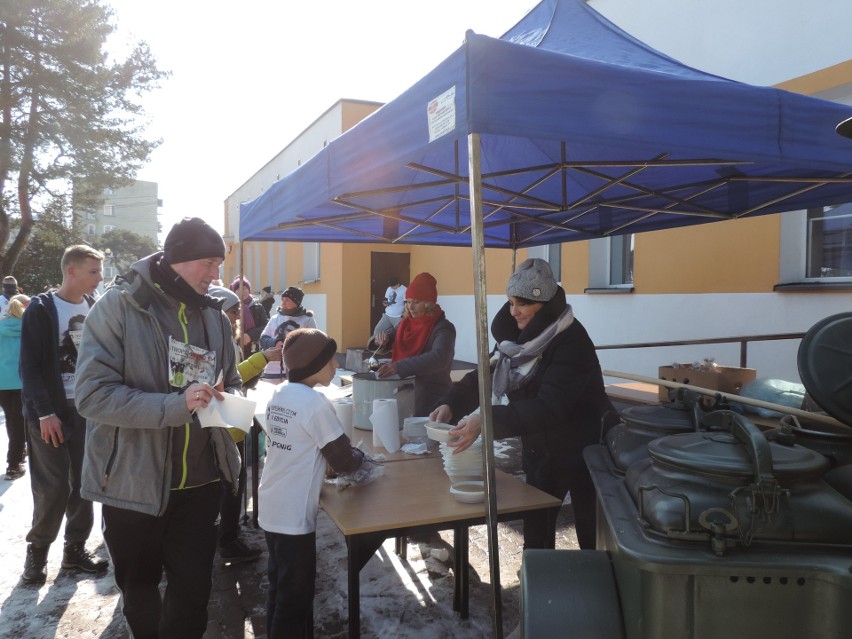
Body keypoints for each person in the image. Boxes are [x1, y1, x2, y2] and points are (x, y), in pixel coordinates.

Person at [75, 217, 243, 638]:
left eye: (219, 264)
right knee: (140, 592)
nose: (215, 275)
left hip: (201, 485)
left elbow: (232, 380)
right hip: (133, 486)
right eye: (208, 262)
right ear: (177, 260)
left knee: (193, 595)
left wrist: (232, 406)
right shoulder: (118, 308)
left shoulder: (216, 317)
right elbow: (92, 396)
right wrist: (175, 405)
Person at [429, 258, 615, 550]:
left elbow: (550, 406)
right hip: (541, 448)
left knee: (592, 534)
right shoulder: (512, 340)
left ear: (544, 305)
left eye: (522, 304)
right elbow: (486, 373)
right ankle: (538, 581)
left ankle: (597, 584)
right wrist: (452, 402)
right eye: (511, 302)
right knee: (537, 531)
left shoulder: (570, 340)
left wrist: (488, 421)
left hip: (586, 448)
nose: (513, 311)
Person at [260, 328, 369, 638]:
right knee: (295, 599)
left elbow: (299, 444)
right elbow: (345, 461)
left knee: (278, 588)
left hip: (272, 505)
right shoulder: (315, 403)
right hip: (294, 516)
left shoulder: (280, 394)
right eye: (329, 360)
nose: (336, 366)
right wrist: (366, 460)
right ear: (311, 366)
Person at [20, 245, 108, 585]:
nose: (99, 278)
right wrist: (44, 414)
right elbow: (29, 367)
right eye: (93, 272)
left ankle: (75, 550)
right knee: (52, 486)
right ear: (71, 271)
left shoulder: (93, 307)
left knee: (84, 484)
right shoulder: (40, 309)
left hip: (86, 410)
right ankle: (38, 551)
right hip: (49, 413)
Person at [208, 285, 282, 564]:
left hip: (232, 418)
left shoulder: (226, 339)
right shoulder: (217, 342)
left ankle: (229, 534)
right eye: (232, 312)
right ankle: (227, 540)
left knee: (233, 484)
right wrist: (261, 359)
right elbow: (226, 381)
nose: (238, 318)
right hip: (224, 422)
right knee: (230, 485)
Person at [375, 272, 456, 416]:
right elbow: (393, 338)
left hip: (432, 399)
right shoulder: (405, 323)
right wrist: (383, 341)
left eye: (416, 302)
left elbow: (440, 357)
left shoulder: (443, 328)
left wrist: (399, 366)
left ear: (429, 303)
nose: (410, 307)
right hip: (404, 393)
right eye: (407, 301)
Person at [259, 286, 317, 382]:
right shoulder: (275, 318)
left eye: (287, 300)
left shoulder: (307, 320)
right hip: (273, 370)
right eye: (282, 300)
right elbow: (263, 339)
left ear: (296, 302)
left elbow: (314, 343)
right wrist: (275, 343)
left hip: (298, 371)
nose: (283, 303)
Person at [0, 294, 30, 480]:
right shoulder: (29, 329)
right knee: (20, 421)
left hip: (2, 383)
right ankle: (13, 464)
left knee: (13, 421)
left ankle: (18, 452)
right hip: (22, 382)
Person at [230, 276, 269, 358]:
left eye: (244, 288)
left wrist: (250, 335)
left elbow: (266, 326)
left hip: (254, 347)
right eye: (238, 289)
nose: (242, 292)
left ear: (249, 289)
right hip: (236, 348)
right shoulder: (231, 308)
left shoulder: (257, 307)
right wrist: (240, 337)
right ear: (234, 292)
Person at [371, 276, 406, 352]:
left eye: (394, 286)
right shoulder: (389, 289)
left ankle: (397, 350)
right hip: (387, 315)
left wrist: (404, 315)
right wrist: (385, 303)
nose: (392, 288)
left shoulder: (404, 290)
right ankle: (380, 349)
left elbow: (407, 303)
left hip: (398, 316)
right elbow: (387, 300)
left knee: (400, 333)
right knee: (378, 330)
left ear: (398, 283)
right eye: (391, 286)